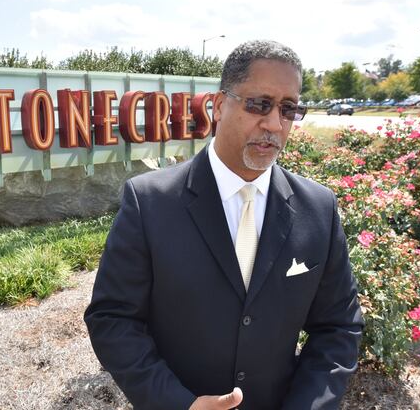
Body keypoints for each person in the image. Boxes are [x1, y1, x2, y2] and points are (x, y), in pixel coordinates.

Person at [84, 40, 364, 410]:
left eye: (288, 108)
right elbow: (112, 318)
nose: (274, 123)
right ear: (218, 106)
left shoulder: (318, 207)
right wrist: (175, 403)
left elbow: (338, 327)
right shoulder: (150, 202)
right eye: (259, 104)